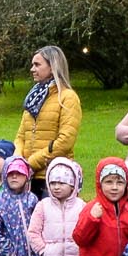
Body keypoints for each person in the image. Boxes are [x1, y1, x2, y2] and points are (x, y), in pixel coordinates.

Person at [13, 45, 82, 174]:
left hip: (54, 176)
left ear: (52, 67)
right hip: (26, 175)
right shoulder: (32, 99)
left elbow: (65, 142)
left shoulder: (68, 97)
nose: (32, 69)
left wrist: (32, 163)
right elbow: (21, 136)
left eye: (37, 65)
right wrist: (18, 160)